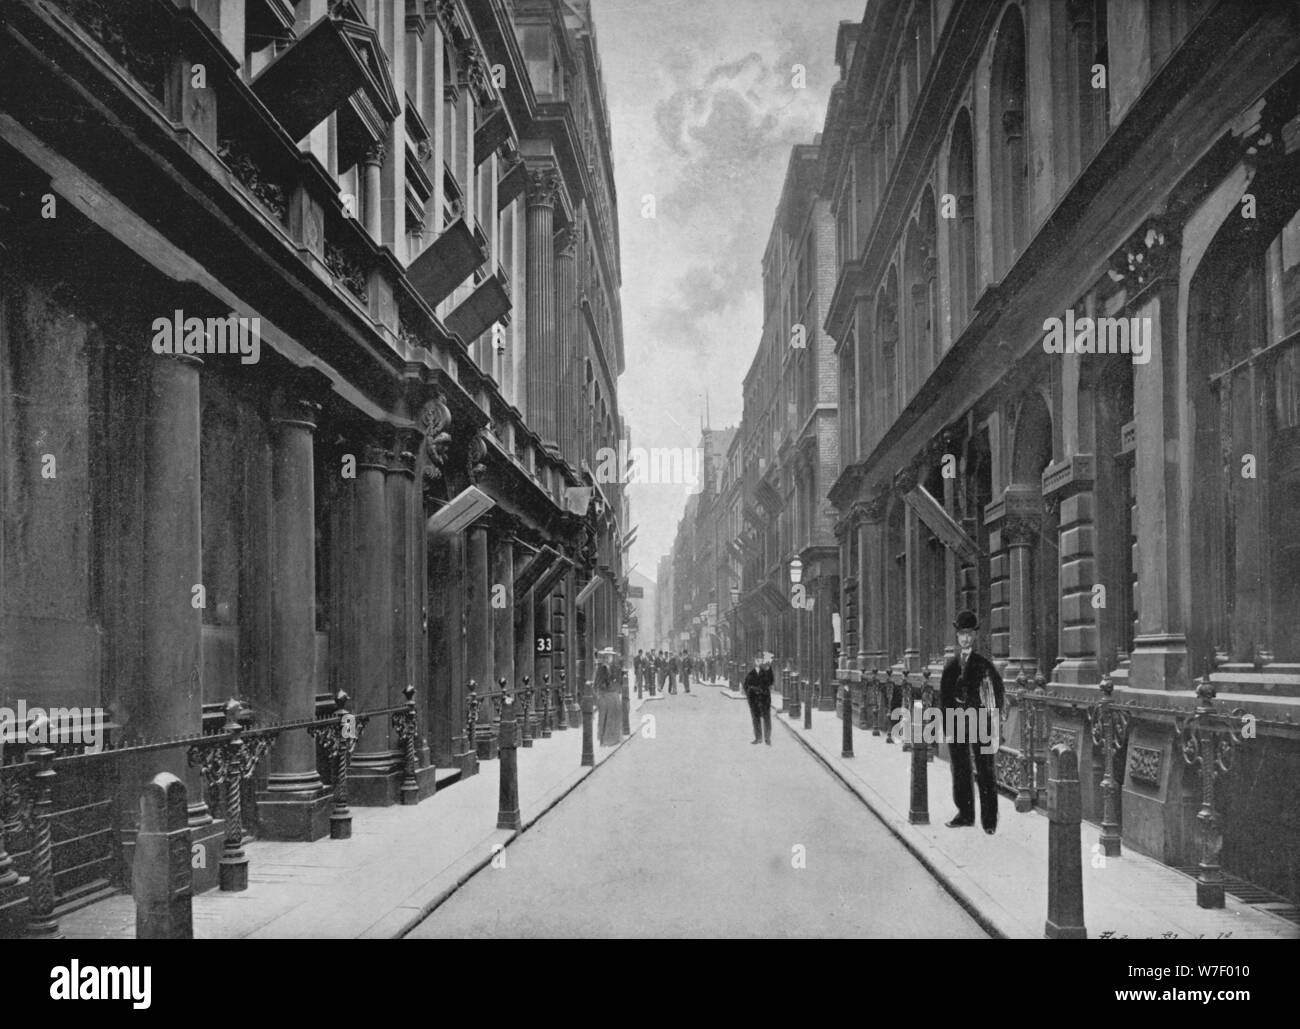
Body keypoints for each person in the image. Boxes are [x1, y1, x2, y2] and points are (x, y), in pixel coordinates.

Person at [939, 610, 1005, 834]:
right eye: (961, 634)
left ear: (975, 636)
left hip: (980, 724)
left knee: (985, 770)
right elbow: (944, 699)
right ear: (957, 636)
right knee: (960, 769)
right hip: (957, 723)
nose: (965, 638)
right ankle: (965, 814)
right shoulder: (950, 667)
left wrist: (991, 723)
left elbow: (995, 696)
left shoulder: (984, 666)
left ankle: (989, 821)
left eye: (969, 634)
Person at [743, 651, 774, 745]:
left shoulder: (766, 671)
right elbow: (746, 686)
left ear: (762, 661)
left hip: (764, 699)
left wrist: (769, 668)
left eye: (760, 660)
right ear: (754, 661)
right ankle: (758, 738)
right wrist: (750, 695)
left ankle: (767, 738)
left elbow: (770, 681)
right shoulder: (750, 674)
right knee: (755, 719)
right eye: (757, 660)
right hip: (754, 700)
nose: (758, 661)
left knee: (767, 718)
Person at [595, 648, 622, 746]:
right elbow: (598, 682)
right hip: (604, 695)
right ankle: (604, 740)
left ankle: (612, 739)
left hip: (610, 694)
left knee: (613, 715)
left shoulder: (611, 667)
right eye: (608, 656)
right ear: (605, 657)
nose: (609, 658)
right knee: (605, 717)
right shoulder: (602, 668)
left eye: (610, 656)